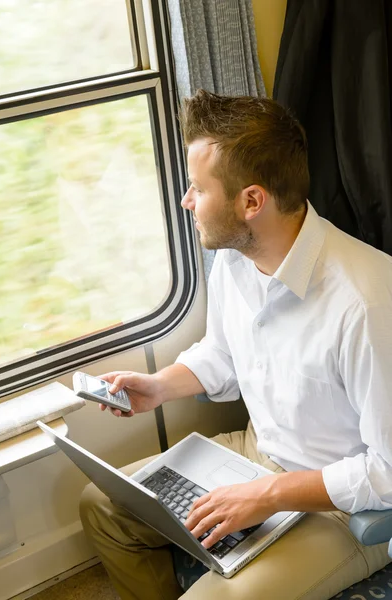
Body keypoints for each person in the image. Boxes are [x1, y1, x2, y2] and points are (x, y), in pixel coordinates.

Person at [79, 90, 392, 600]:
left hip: (343, 506)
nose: (186, 201)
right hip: (256, 453)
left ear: (251, 200)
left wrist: (268, 495)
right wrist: (158, 387)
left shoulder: (366, 303)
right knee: (103, 505)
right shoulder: (235, 257)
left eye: (198, 189)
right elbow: (223, 354)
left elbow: (389, 470)